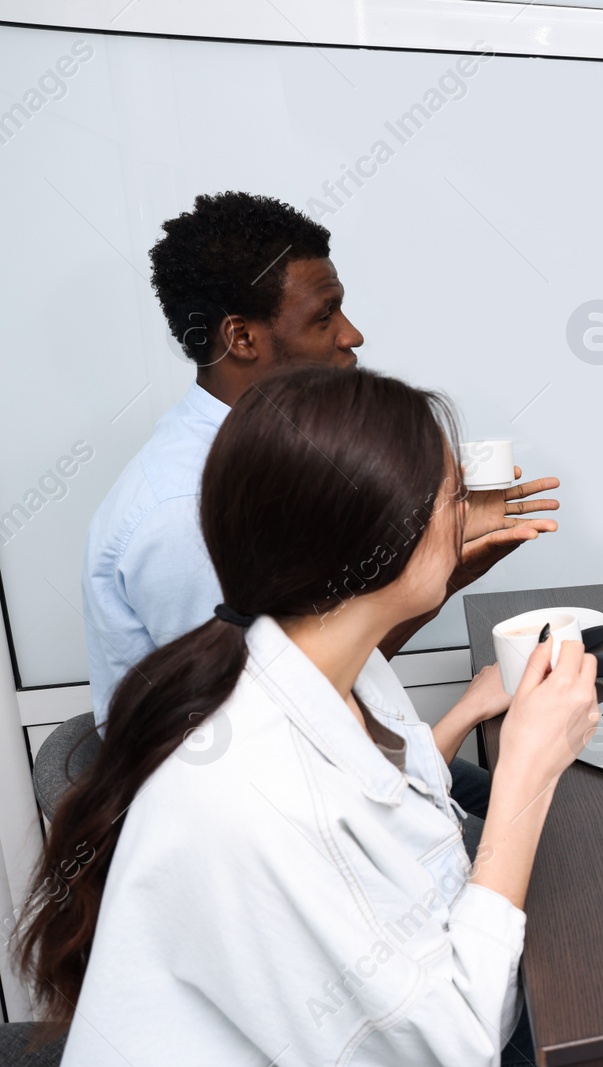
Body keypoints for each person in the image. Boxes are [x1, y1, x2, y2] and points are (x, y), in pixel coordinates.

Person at [12, 367, 597, 1064]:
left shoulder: (323, 664)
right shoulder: (251, 795)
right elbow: (457, 1045)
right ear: (377, 538)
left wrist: (474, 710)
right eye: (453, 497)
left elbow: (381, 810)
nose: (468, 512)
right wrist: (524, 774)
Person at [81, 191, 558, 819]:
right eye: (324, 316)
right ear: (242, 337)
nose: (352, 336)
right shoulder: (186, 512)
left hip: (335, 758)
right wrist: (432, 584)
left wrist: (448, 562)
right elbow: (279, 728)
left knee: (555, 807)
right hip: (270, 813)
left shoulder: (278, 455)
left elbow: (317, 668)